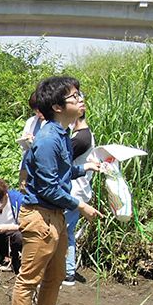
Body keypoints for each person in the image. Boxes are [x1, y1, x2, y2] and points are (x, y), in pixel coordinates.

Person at [12, 76, 103, 305]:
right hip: (40, 215)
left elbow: (59, 172)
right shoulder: (49, 139)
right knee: (30, 277)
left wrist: (86, 167)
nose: (80, 99)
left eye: (79, 94)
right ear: (58, 107)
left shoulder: (63, 133)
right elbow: (50, 187)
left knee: (55, 275)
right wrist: (81, 205)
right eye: (74, 97)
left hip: (55, 216)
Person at [63, 113, 95, 286]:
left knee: (64, 231)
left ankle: (67, 272)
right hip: (79, 190)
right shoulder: (84, 135)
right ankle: (67, 271)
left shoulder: (80, 138)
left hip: (74, 191)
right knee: (67, 232)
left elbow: (62, 164)